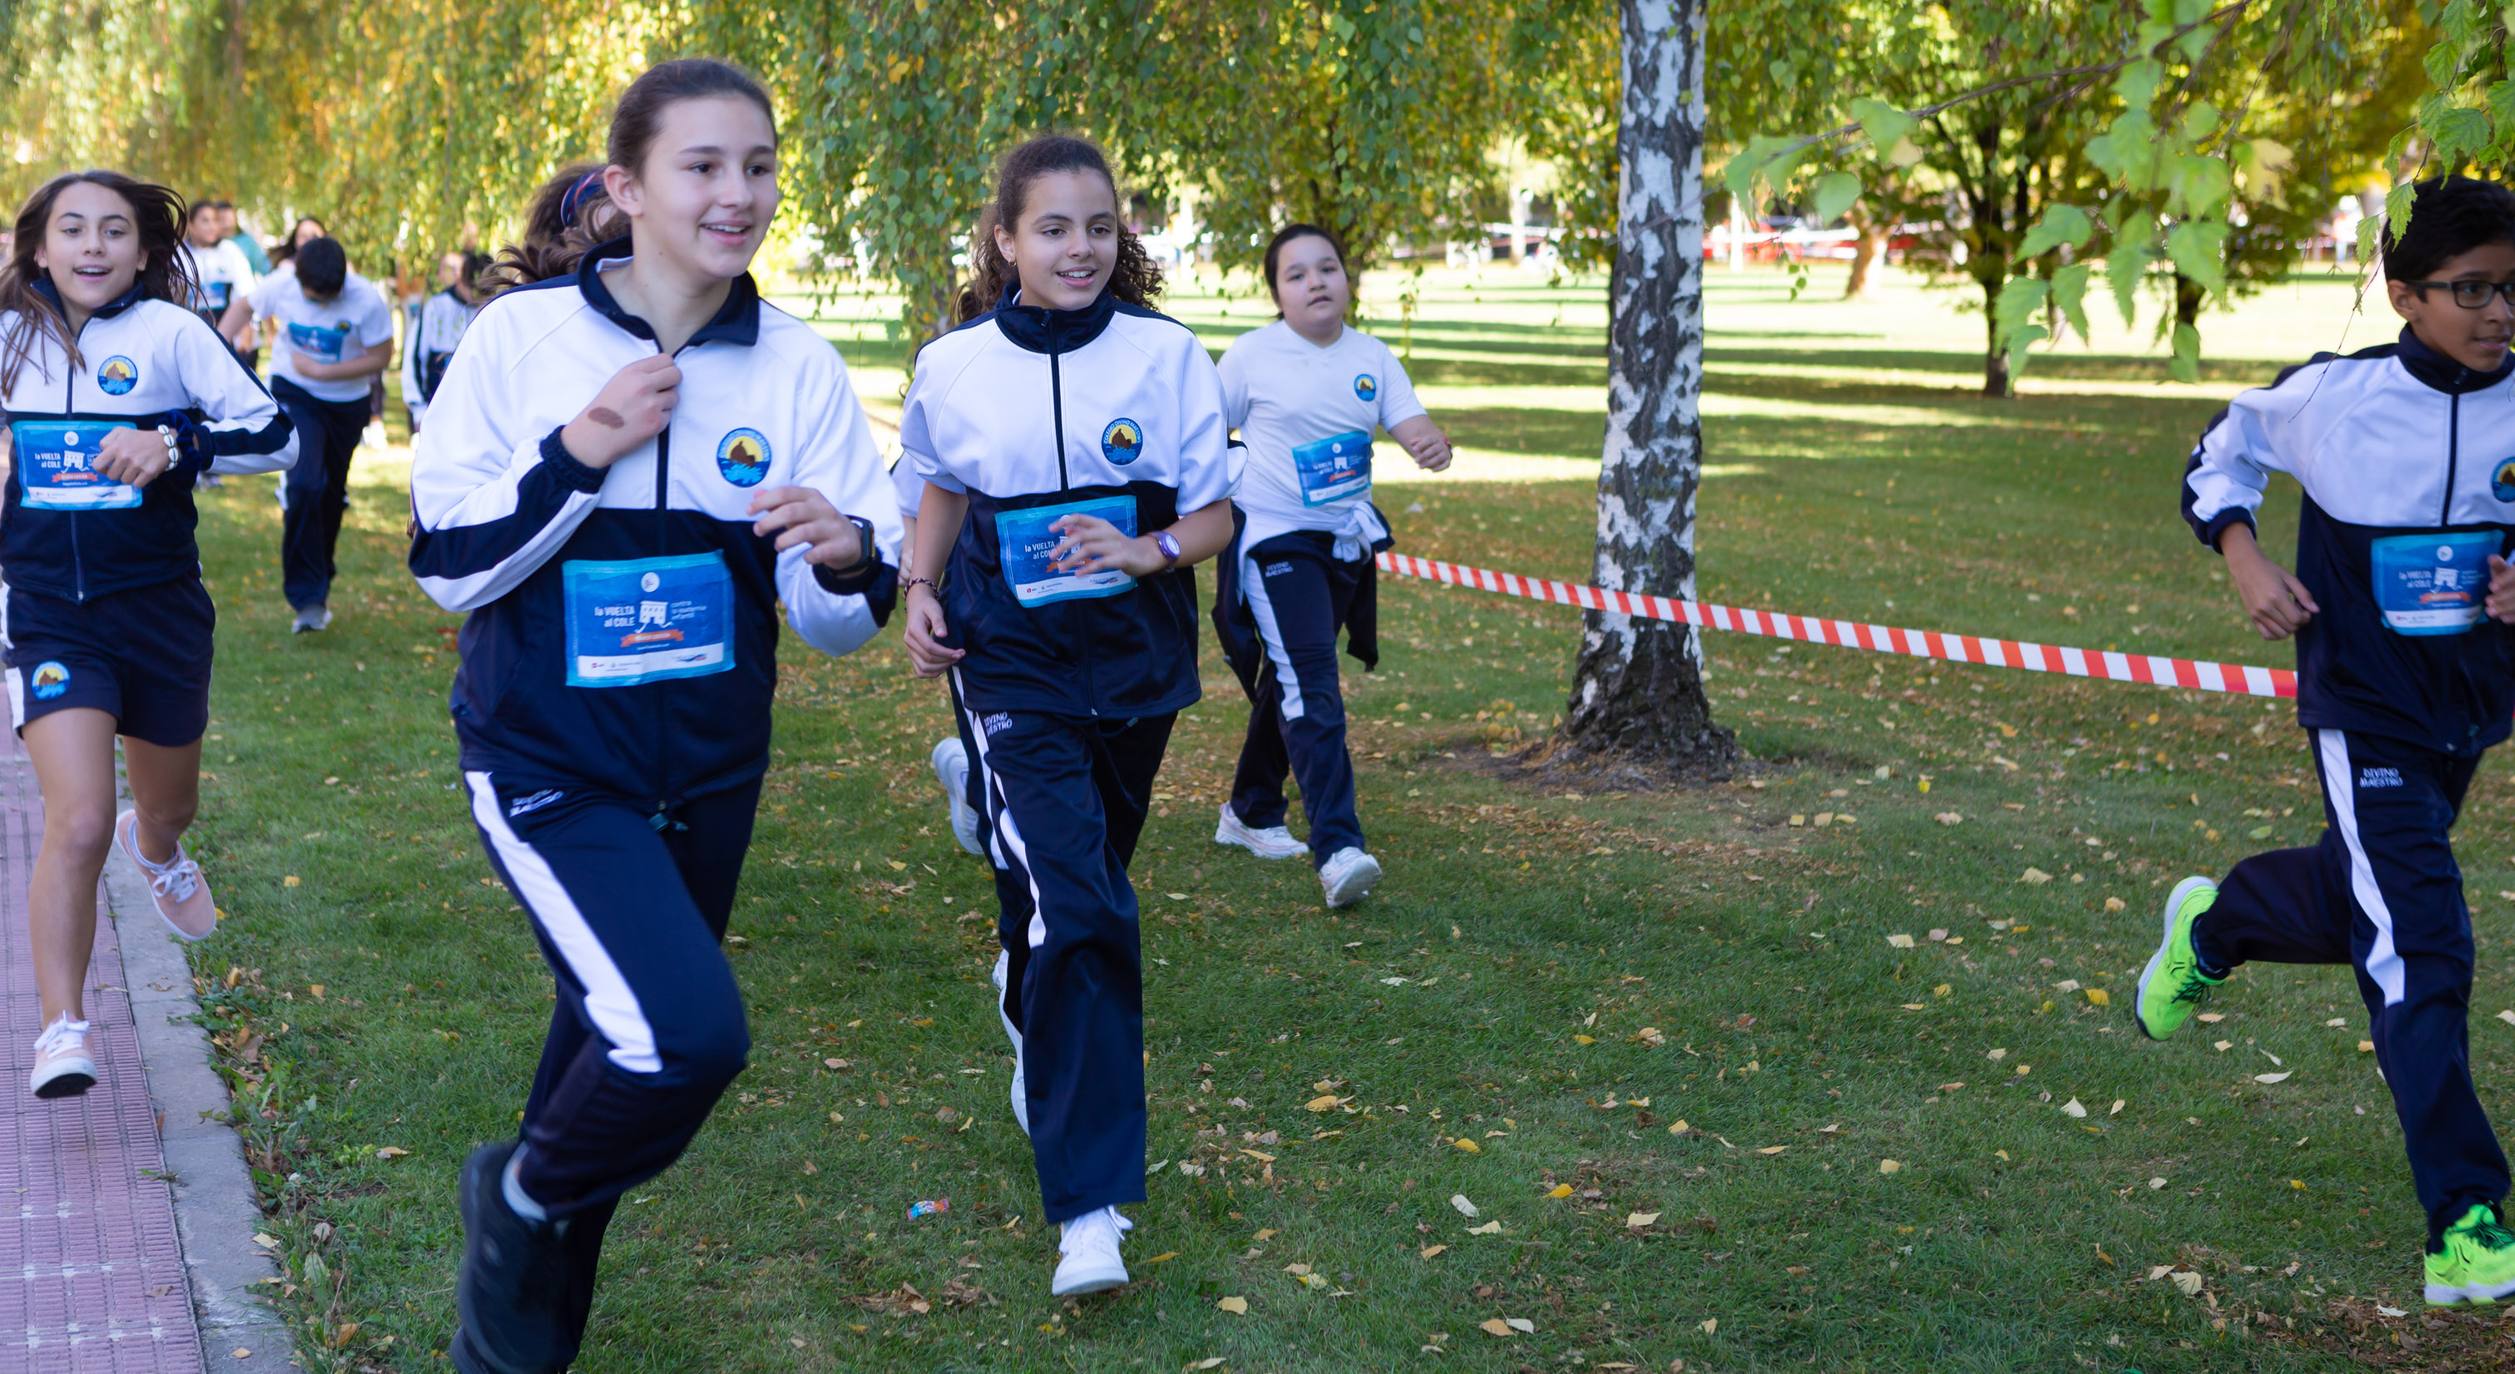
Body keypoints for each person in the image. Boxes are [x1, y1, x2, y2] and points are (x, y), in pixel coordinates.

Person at [408, 58, 899, 1373]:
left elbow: (842, 620)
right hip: (550, 767)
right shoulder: (521, 342)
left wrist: (848, 556)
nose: (736, 194)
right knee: (682, 1033)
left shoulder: (795, 363)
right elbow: (446, 564)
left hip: (710, 776)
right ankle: (509, 1195)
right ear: (624, 187)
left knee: (600, 1060)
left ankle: (508, 1355)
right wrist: (580, 450)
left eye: (757, 165)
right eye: (702, 166)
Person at [2150, 174, 2515, 1306]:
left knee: (2363, 896)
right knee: (2423, 943)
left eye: (2513, 290)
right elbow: (2219, 452)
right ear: (2402, 294)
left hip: (2470, 707)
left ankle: (2214, 926)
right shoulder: (2335, 398)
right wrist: (2247, 559)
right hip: (2361, 705)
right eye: (2471, 291)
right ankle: (2467, 1219)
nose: (2500, 314)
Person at [899, 133, 1239, 1298]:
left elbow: (1216, 515)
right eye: (1052, 228)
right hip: (1007, 665)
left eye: (1099, 227)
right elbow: (937, 488)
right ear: (1003, 240)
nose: (1080, 248)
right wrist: (917, 591)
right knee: (1084, 905)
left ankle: (1018, 975)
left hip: (1136, 671)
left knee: (1060, 899)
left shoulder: (1169, 356)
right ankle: (1088, 1210)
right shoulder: (952, 366)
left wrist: (1148, 549)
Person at [0, 172, 295, 1098]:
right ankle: (61, 1029)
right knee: (78, 818)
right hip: (48, 610)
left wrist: (175, 442)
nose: (93, 247)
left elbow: (277, 431)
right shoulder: (6, 339)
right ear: (38, 248)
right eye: (73, 230)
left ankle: (159, 850)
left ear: (142, 249)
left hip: (160, 609)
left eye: (115, 231)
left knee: (159, 808)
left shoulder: (172, 335)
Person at [1209, 223, 1451, 906]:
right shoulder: (1252, 357)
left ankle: (1250, 811)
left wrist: (1431, 445)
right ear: (1277, 293)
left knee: (1291, 677)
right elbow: (1199, 433)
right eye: (1297, 274)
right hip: (1273, 541)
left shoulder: (1371, 355)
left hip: (1342, 542)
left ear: (1346, 280)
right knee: (1311, 682)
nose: (1316, 281)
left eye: (1327, 269)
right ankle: (1338, 847)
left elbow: (1411, 426)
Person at [228, 236, 393, 632]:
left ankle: (320, 574)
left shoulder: (365, 299)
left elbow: (382, 356)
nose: (318, 303)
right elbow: (243, 307)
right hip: (294, 392)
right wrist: (219, 352)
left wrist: (322, 372)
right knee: (303, 486)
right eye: (312, 297)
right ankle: (307, 598)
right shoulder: (282, 283)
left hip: (345, 403)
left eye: (326, 298)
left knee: (330, 493)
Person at [403, 250, 489, 435]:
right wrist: (419, 410)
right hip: (436, 411)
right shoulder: (436, 307)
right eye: (473, 290)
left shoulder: (489, 309)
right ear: (461, 279)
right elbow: (414, 358)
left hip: (474, 418)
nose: (477, 298)